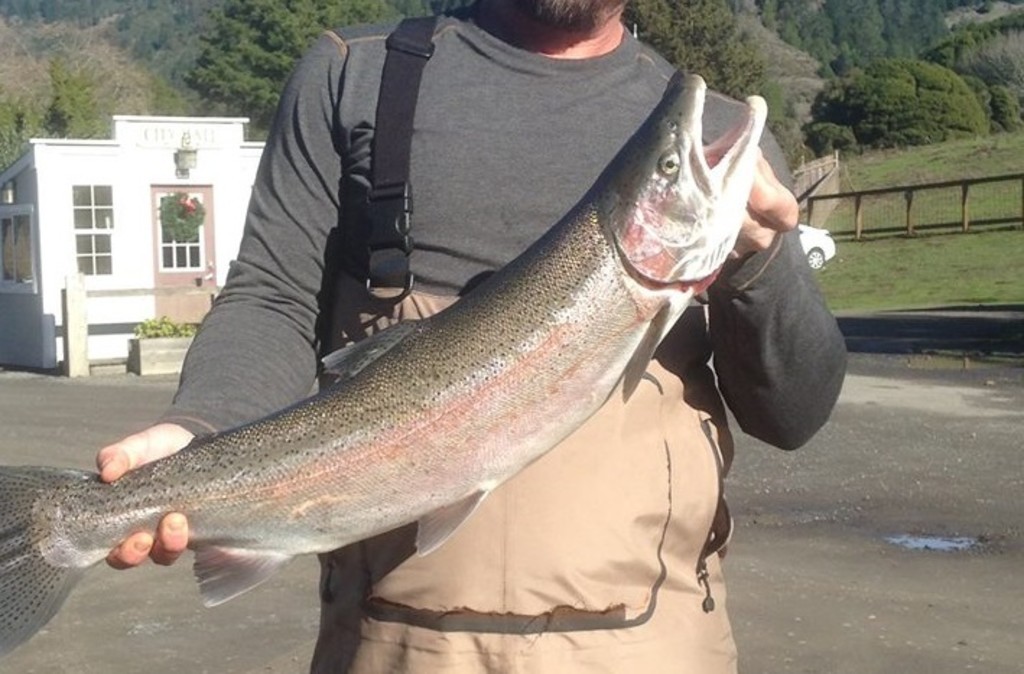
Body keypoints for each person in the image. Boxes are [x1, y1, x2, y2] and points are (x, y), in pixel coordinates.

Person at [98, 0, 847, 671]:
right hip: (396, 644)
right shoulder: (354, 76)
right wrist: (197, 429)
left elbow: (794, 415)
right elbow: (274, 298)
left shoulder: (716, 139)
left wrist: (761, 258)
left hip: (656, 644)